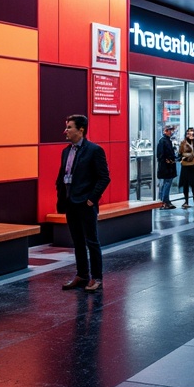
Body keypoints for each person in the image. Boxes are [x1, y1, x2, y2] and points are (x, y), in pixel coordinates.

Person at [57, 114, 111, 293]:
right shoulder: (66, 151)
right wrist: (61, 199)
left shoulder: (94, 150)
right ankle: (82, 274)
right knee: (77, 241)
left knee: (91, 241)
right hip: (71, 203)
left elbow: (104, 178)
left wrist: (91, 199)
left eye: (69, 127)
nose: (66, 131)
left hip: (85, 203)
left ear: (81, 130)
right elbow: (62, 177)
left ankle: (96, 277)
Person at [177, 127, 194, 209]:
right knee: (185, 184)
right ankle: (186, 201)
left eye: (192, 133)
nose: (190, 135)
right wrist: (182, 158)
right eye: (189, 133)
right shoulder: (183, 144)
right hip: (185, 166)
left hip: (193, 166)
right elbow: (179, 154)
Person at [156, 124, 177, 209]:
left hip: (168, 166)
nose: (171, 132)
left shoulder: (167, 140)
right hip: (166, 167)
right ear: (166, 131)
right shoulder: (163, 141)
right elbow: (160, 155)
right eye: (170, 130)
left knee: (165, 183)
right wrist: (167, 161)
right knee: (166, 183)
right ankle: (165, 201)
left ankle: (164, 201)